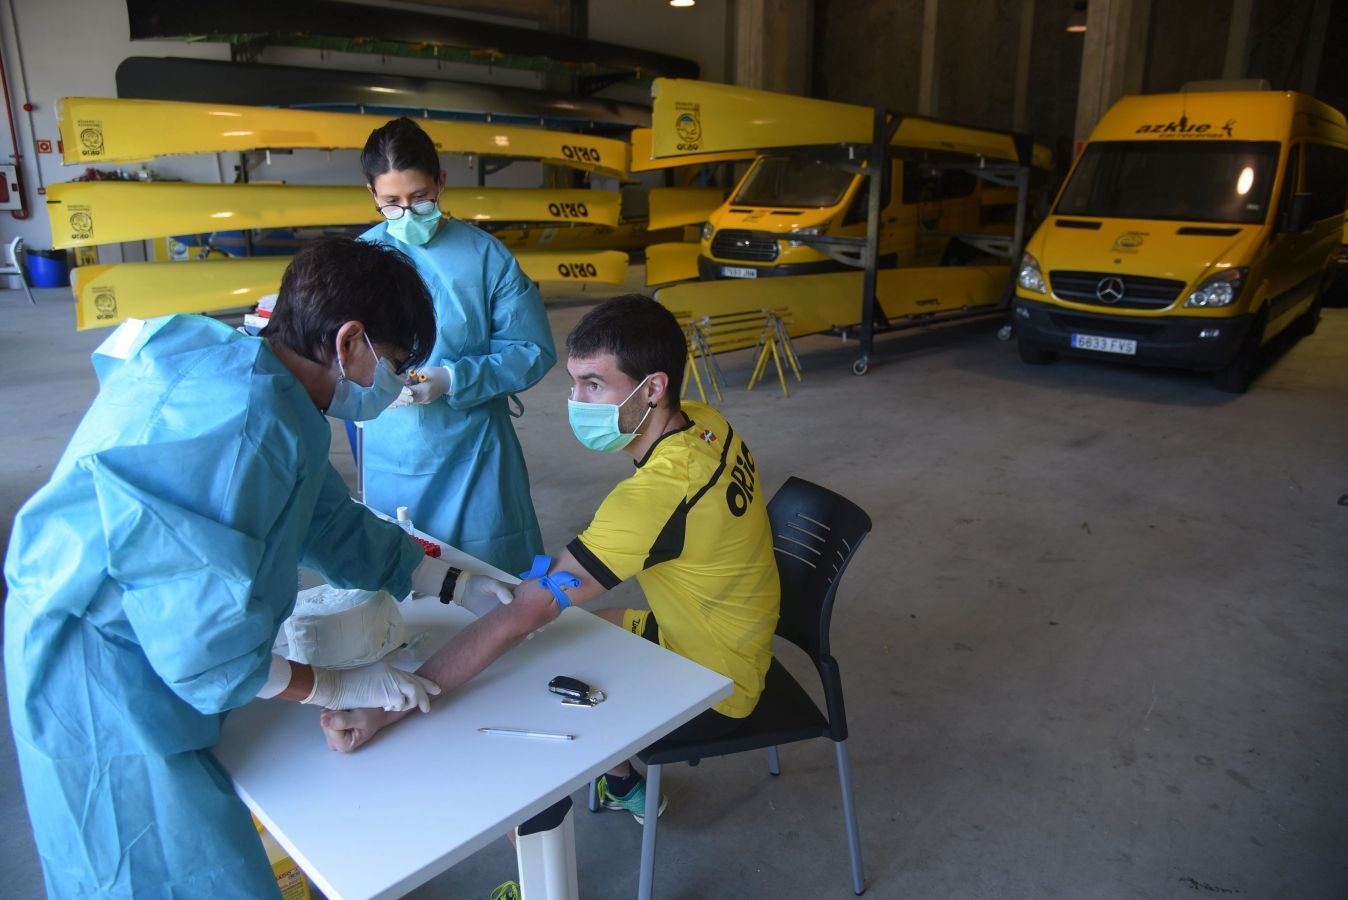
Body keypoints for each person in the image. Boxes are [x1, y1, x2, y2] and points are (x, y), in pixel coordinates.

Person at [3, 236, 509, 899]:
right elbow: (203, 646)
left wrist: (451, 581)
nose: (389, 387)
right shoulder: (245, 429)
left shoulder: (254, 377)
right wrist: (333, 685)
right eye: (390, 364)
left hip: (96, 610)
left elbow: (322, 516)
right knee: (163, 874)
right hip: (97, 670)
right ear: (349, 342)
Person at [322, 294, 782, 824]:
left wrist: (385, 710)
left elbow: (526, 613)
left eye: (593, 384)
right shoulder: (703, 424)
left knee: (526, 704)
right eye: (574, 382)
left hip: (716, 684)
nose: (575, 401)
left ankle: (547, 843)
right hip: (716, 634)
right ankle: (625, 781)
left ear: (652, 388)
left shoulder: (656, 496)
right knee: (562, 640)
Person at [358, 116, 556, 574]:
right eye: (391, 203)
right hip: (394, 451)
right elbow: (340, 351)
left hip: (476, 455)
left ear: (441, 183)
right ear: (372, 195)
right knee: (404, 580)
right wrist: (371, 381)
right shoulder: (360, 261)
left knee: (494, 583)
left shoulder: (486, 257)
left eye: (420, 198)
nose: (407, 214)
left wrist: (452, 378)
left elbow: (532, 350)